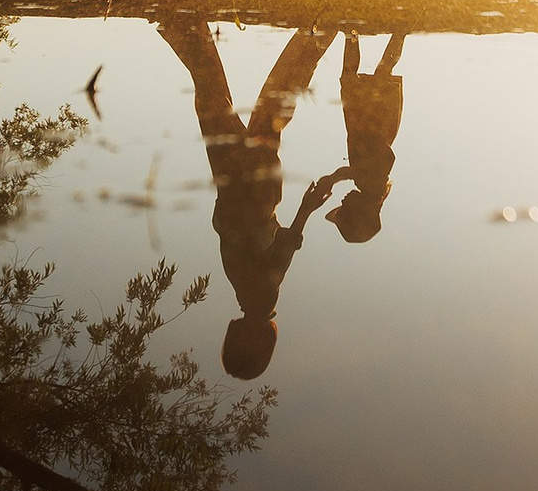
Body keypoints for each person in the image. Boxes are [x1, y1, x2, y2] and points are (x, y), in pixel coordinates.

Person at [155, 19, 341, 378]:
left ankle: (315, 32)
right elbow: (282, 249)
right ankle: (316, 31)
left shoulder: (255, 301)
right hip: (245, 198)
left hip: (248, 198)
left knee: (241, 106)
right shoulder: (258, 301)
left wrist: (305, 208)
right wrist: (306, 207)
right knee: (239, 107)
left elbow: (281, 249)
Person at [324, 31, 405, 244]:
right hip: (373, 126)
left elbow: (350, 172)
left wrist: (332, 179)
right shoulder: (373, 186)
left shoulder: (368, 186)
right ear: (357, 211)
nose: (342, 201)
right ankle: (362, 32)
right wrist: (370, 136)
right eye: (345, 208)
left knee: (355, 77)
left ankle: (354, 33)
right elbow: (388, 158)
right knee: (375, 74)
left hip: (363, 126)